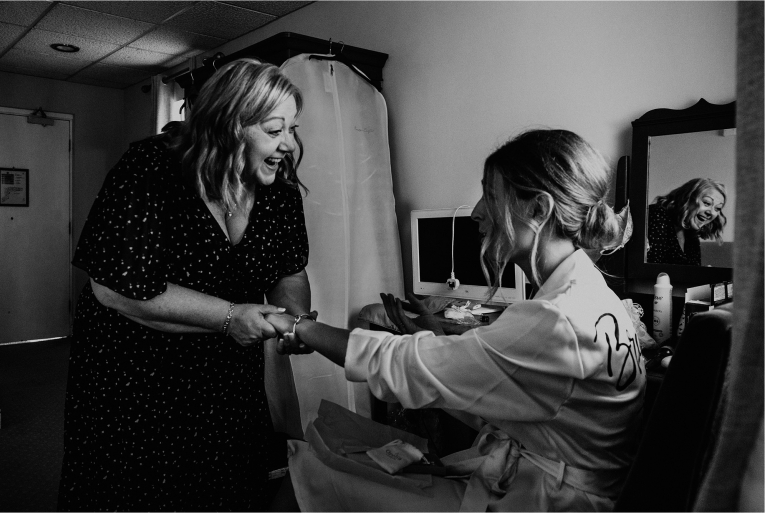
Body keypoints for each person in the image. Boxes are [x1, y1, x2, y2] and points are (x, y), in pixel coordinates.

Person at [266, 129, 646, 511]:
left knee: (308, 472)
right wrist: (436, 339)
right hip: (556, 483)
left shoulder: (554, 319)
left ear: (538, 210)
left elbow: (403, 364)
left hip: (547, 500)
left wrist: (299, 326)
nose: (477, 212)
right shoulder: (591, 293)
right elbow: (505, 388)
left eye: (491, 195)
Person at [57, 58, 313, 512]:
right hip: (135, 373)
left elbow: (289, 269)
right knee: (137, 490)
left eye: (292, 129)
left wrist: (292, 319)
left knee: (223, 486)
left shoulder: (280, 190)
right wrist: (229, 317)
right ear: (227, 126)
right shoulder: (150, 168)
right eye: (275, 130)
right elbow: (113, 287)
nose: (289, 144)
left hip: (226, 376)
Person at [646, 178, 727, 265]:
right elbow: (651, 268)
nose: (711, 212)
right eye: (706, 203)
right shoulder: (658, 214)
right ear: (687, 198)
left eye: (717, 208)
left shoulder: (691, 233)